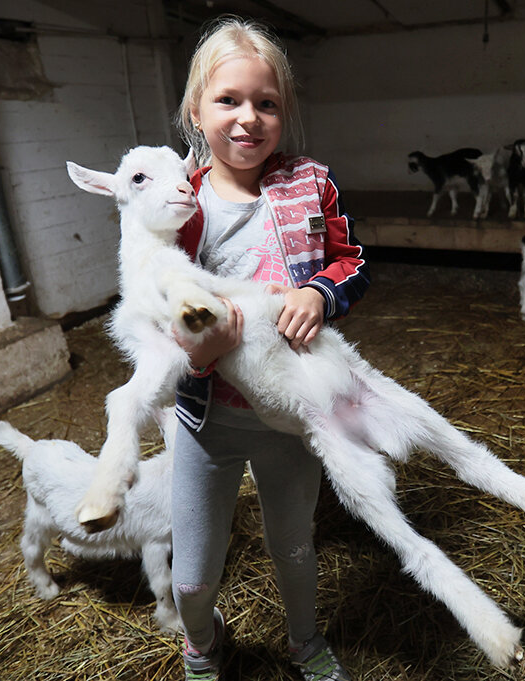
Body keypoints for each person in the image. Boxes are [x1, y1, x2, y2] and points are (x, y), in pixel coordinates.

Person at [169, 17, 370, 681]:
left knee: (295, 548)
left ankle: (304, 642)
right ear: (196, 109)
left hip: (289, 416)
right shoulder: (178, 203)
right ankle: (202, 644)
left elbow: (352, 260)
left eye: (267, 103)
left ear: (284, 113)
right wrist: (197, 349)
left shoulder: (311, 183)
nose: (248, 118)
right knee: (193, 578)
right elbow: (148, 307)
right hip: (207, 420)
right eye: (228, 100)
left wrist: (319, 292)